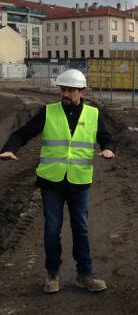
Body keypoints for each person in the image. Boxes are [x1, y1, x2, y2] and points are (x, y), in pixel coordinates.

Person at [0, 69, 116, 294]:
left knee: (80, 228)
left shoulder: (93, 114)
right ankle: (52, 274)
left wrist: (109, 149)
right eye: (63, 89)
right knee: (52, 229)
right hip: (51, 181)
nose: (65, 93)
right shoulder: (48, 112)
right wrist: (9, 149)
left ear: (81, 91)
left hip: (79, 181)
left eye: (70, 90)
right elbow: (22, 133)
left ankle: (85, 275)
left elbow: (107, 138)